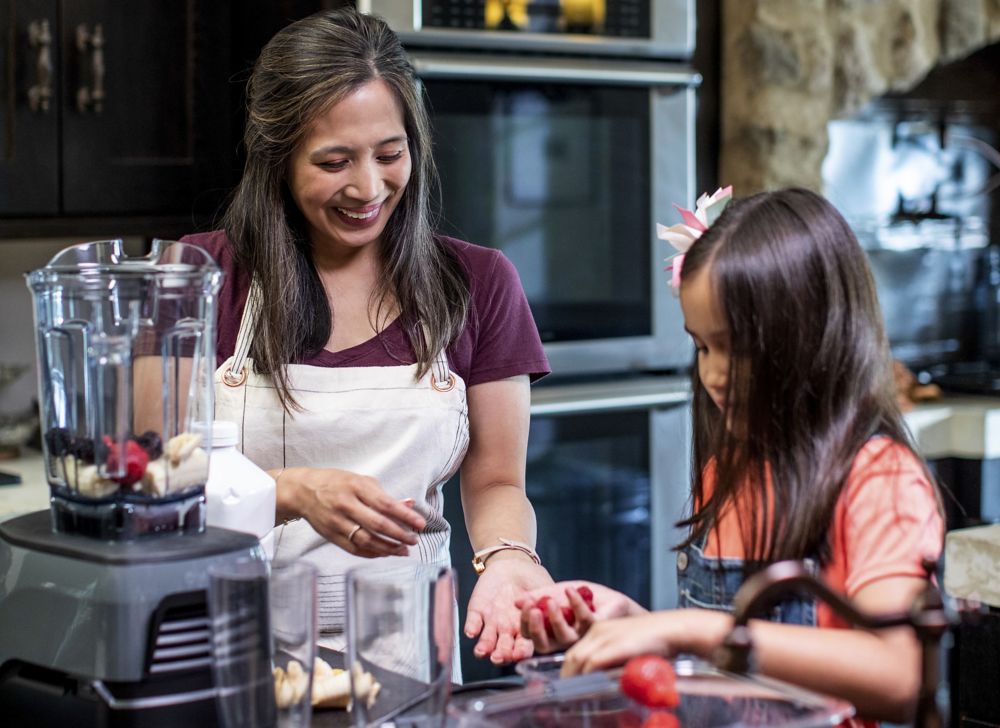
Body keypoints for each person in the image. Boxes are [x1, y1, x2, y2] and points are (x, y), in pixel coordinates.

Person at [183, 7, 553, 665]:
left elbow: (497, 481)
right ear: (278, 158)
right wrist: (288, 491)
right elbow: (155, 479)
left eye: (390, 153)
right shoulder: (198, 276)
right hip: (225, 656)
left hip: (405, 660)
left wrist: (507, 558)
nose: (368, 187)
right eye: (333, 161)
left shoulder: (478, 282)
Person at [515, 188, 945, 725]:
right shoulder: (731, 467)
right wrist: (632, 626)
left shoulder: (878, 480)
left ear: (814, 334)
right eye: (702, 346)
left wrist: (685, 630)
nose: (714, 374)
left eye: (737, 347)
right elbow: (725, 676)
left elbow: (900, 676)